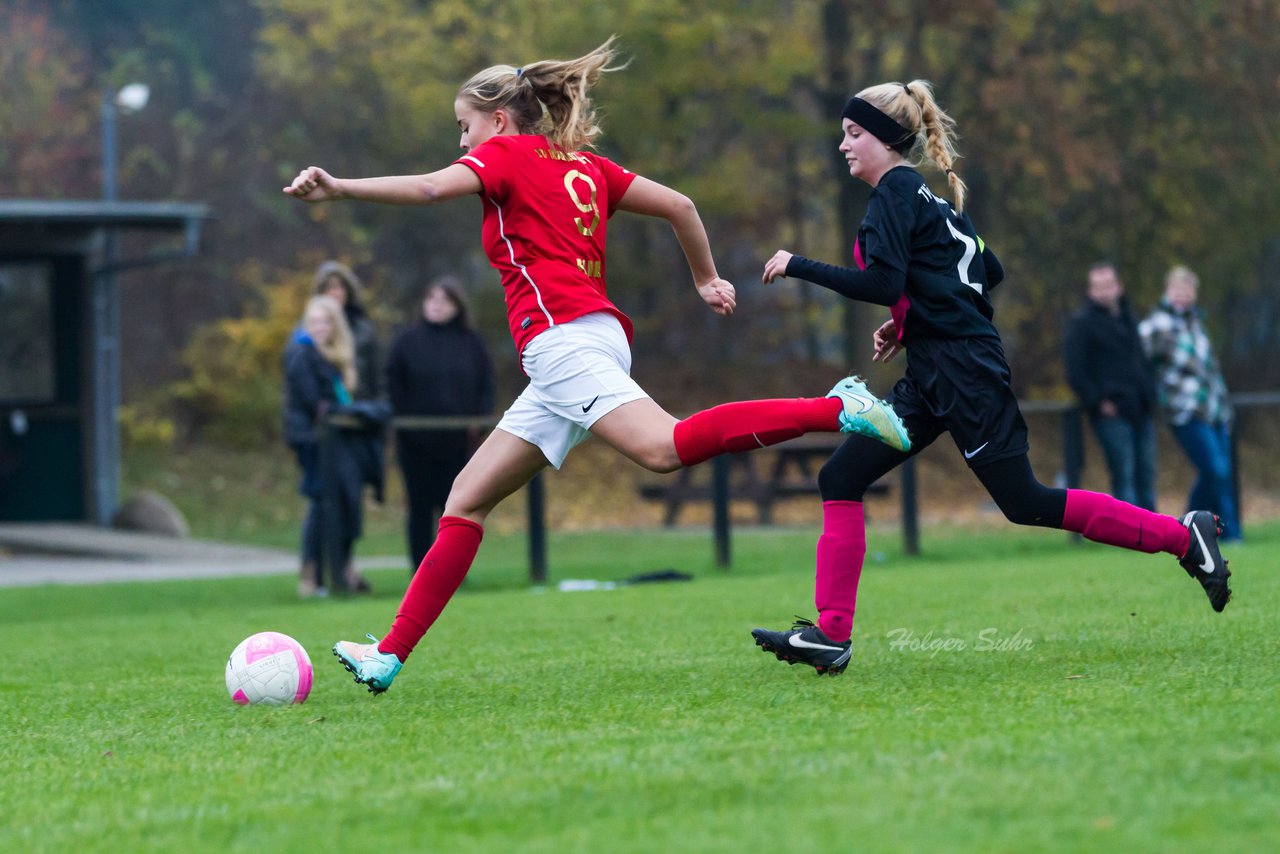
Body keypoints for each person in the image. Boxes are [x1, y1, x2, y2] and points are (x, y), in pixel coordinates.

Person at [283, 38, 912, 694]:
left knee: (664, 448)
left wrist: (339, 188)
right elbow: (682, 206)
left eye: (463, 126)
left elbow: (426, 188)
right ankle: (388, 654)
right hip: (592, 337)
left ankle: (835, 407)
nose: (462, 143)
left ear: (498, 122)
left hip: (561, 342)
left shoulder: (502, 155)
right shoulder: (582, 163)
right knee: (466, 501)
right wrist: (705, 278)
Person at [753, 80, 1233, 676]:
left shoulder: (893, 198)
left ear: (887, 140)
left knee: (1024, 501)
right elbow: (988, 268)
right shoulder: (929, 198)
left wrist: (798, 264)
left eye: (854, 135)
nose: (844, 146)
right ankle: (831, 635)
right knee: (842, 476)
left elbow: (882, 283)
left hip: (963, 372)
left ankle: (1185, 538)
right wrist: (909, 324)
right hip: (938, 368)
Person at [385, 276, 496, 572]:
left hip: (458, 443)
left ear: (457, 306)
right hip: (415, 444)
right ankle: (420, 571)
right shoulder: (406, 342)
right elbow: (392, 385)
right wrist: (403, 422)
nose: (436, 305)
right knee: (419, 510)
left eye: (444, 300)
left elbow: (485, 387)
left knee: (454, 511)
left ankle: (449, 571)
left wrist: (479, 423)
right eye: (431, 298)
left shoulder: (471, 343)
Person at [1140, 265, 1242, 541]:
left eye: (1188, 290)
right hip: (1184, 411)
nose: (1183, 295)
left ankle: (1223, 533)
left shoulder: (1197, 325)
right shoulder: (1157, 325)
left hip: (1215, 411)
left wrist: (1226, 412)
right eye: (1177, 289)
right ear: (1167, 291)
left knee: (1223, 473)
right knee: (1215, 469)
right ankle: (1191, 529)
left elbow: (1212, 373)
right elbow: (1137, 362)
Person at [1063, 261, 1158, 510]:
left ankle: (1157, 536)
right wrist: (1098, 402)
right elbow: (1075, 371)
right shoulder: (1082, 323)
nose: (1104, 291)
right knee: (1123, 475)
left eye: (1109, 285)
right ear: (1090, 291)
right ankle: (1132, 537)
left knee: (1147, 475)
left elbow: (1142, 361)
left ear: (1119, 287)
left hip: (1141, 408)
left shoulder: (1129, 318)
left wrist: (1150, 392)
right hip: (1111, 412)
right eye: (1098, 286)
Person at [282, 294, 357, 598]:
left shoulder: (334, 357)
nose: (319, 327)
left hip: (331, 440)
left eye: (325, 321)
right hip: (313, 441)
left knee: (333, 504)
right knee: (319, 503)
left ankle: (331, 572)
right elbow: (317, 403)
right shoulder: (302, 354)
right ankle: (310, 573)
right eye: (313, 321)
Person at [313, 260, 382, 401]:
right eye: (329, 287)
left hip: (361, 410)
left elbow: (377, 378)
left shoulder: (364, 330)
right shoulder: (309, 329)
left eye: (340, 287)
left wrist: (377, 409)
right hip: (324, 414)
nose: (335, 293)